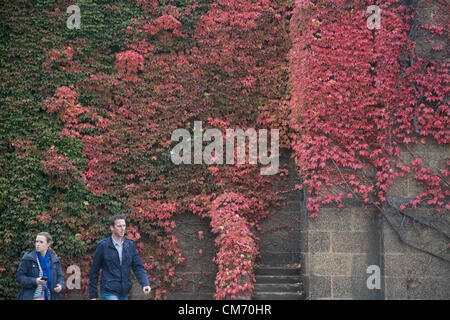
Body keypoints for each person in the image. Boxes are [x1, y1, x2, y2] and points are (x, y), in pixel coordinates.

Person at [89, 214, 151, 300]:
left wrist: (145, 283)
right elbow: (94, 271)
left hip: (124, 291)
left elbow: (138, 266)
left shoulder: (130, 245)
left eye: (124, 226)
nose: (122, 229)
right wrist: (93, 295)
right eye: (119, 226)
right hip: (109, 290)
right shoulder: (103, 246)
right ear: (112, 228)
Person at [16, 232, 65, 300]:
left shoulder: (54, 260)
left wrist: (60, 286)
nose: (38, 244)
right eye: (36, 241)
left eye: (41, 242)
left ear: (48, 244)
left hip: (50, 296)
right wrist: (35, 281)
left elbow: (60, 277)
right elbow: (19, 277)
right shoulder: (28, 258)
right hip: (31, 297)